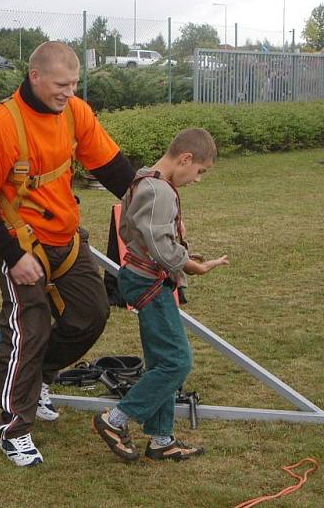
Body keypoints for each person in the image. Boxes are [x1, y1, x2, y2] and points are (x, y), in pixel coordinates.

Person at [0, 41, 137, 467]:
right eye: (62, 84)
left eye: (75, 84)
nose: (69, 92)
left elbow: (113, 168)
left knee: (91, 314)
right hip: (20, 246)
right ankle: (15, 428)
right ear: (35, 76)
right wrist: (11, 255)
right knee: (30, 330)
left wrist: (154, 205)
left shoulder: (75, 112)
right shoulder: (0, 125)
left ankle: (40, 378)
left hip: (67, 236)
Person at [92, 128, 229, 462]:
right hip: (149, 282)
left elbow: (132, 231)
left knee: (160, 361)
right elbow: (161, 244)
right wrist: (189, 264)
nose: (198, 179)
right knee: (177, 361)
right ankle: (115, 420)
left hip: (142, 276)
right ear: (185, 158)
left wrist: (177, 256)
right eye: (200, 171)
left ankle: (160, 438)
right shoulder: (160, 190)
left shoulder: (141, 179)